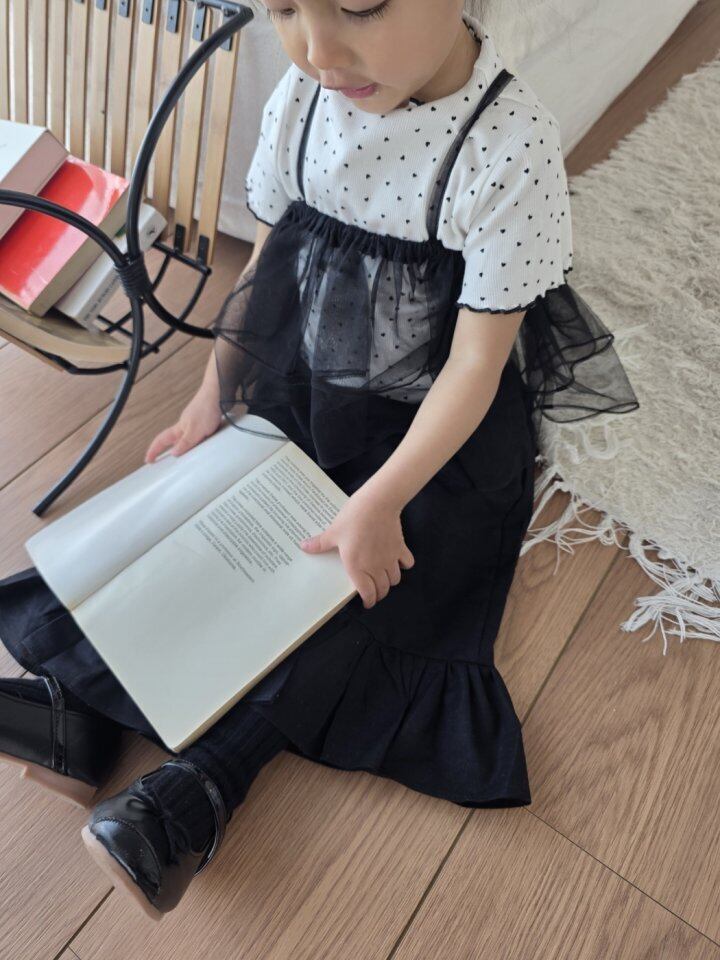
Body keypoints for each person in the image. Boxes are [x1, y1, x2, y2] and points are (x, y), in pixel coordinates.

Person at [0, 0, 640, 922]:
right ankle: (81, 710)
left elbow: (475, 364)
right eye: (285, 9)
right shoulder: (303, 95)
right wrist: (210, 394)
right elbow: (269, 257)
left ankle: (206, 785)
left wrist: (381, 500)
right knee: (217, 530)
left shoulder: (508, 144)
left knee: (379, 586)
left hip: (435, 431)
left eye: (360, 6)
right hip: (309, 382)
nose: (317, 48)